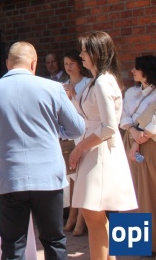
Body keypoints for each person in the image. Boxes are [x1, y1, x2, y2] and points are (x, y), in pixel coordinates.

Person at [0, 41, 84, 259]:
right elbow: (76, 128)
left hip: (9, 176)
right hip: (47, 176)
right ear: (34, 63)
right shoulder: (53, 89)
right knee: (54, 241)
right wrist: (54, 132)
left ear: (8, 64)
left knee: (13, 246)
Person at [68, 32, 138, 260]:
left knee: (93, 213)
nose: (81, 55)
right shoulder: (96, 81)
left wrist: (79, 148)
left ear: (97, 53)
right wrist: (72, 97)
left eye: (85, 51)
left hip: (100, 152)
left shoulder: (103, 82)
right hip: (95, 150)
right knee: (94, 215)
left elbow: (109, 127)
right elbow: (91, 115)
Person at [120, 55, 156, 253]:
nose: (132, 71)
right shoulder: (131, 92)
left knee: (149, 191)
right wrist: (133, 132)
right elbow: (123, 115)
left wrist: (141, 137)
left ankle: (152, 243)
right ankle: (133, 244)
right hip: (130, 139)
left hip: (150, 144)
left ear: (147, 71)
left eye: (136, 68)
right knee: (130, 189)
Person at [61, 50, 92, 237]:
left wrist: (73, 96)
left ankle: (81, 219)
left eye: (72, 63)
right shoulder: (63, 85)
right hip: (70, 135)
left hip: (87, 133)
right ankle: (73, 215)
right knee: (73, 176)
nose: (69, 67)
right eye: (66, 64)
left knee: (83, 177)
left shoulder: (89, 83)